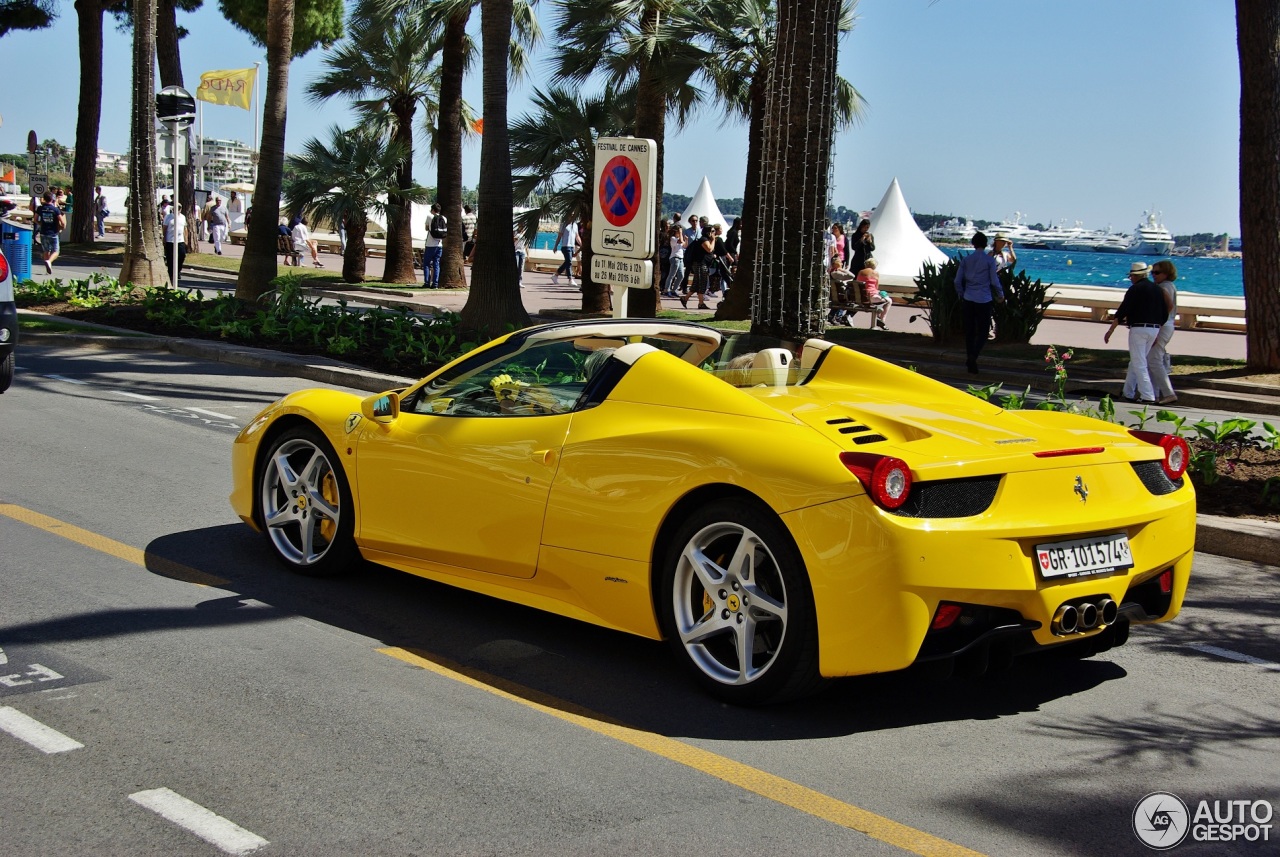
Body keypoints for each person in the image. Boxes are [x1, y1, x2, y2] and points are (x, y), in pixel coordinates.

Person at [1104, 262, 1169, 404]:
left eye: (1131, 276)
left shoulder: (1134, 290)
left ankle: (1148, 395)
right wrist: (1157, 330)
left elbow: (1122, 311)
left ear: (1136, 275)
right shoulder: (1157, 290)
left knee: (1139, 362)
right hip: (1154, 328)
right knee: (1136, 361)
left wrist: (1111, 330)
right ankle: (1128, 392)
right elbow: (1164, 313)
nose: (1131, 278)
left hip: (1139, 328)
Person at [953, 231, 1005, 374]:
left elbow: (957, 280)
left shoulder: (966, 260)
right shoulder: (989, 261)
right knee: (983, 332)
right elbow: (994, 281)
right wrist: (1000, 294)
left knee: (970, 331)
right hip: (984, 298)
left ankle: (970, 357)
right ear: (986, 244)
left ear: (973, 244)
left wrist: (961, 293)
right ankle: (973, 356)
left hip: (968, 298)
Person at [1148, 260, 1179, 404]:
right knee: (1153, 359)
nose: (1154, 275)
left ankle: (1168, 393)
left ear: (1166, 273)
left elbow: (1168, 307)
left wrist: (1157, 329)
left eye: (1157, 272)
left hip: (1163, 325)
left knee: (1154, 360)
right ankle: (1155, 393)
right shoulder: (1166, 286)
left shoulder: (1164, 288)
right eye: (1152, 272)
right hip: (1166, 325)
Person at [680, 226, 716, 309]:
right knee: (701, 283)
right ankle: (700, 303)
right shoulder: (703, 240)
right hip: (700, 264)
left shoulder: (705, 240)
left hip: (702, 264)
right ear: (708, 232)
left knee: (696, 284)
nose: (714, 233)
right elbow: (709, 249)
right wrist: (713, 239)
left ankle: (685, 298)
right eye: (713, 231)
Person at [34, 191, 65, 275]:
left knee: (46, 250)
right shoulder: (55, 209)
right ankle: (49, 261)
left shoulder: (40, 208)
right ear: (52, 199)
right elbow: (62, 222)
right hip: (53, 232)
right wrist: (62, 227)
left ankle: (47, 267)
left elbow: (35, 219)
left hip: (43, 232)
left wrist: (41, 224)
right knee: (56, 251)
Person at [857, 259, 892, 330]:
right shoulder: (875, 273)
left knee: (881, 300)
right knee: (889, 301)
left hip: (861, 296)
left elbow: (858, 282)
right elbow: (876, 287)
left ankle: (879, 319)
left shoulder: (861, 272)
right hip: (871, 297)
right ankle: (882, 320)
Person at [162, 202, 188, 278]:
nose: (177, 210)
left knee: (182, 256)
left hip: (180, 240)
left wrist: (186, 239)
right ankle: (171, 273)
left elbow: (185, 229)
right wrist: (163, 239)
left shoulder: (183, 217)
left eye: (179, 208)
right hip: (170, 240)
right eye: (175, 208)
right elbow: (164, 228)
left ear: (181, 209)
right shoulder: (168, 217)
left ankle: (178, 271)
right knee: (170, 258)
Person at [423, 203, 446, 287]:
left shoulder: (429, 217)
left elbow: (426, 228)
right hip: (439, 245)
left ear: (433, 210)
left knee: (426, 264)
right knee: (436, 264)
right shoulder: (444, 218)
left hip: (430, 244)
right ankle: (435, 283)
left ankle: (427, 282)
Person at [552, 217, 579, 286]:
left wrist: (582, 245)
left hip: (572, 246)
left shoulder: (575, 225)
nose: (572, 216)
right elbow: (559, 236)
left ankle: (556, 275)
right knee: (569, 262)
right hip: (565, 246)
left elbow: (577, 236)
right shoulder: (564, 225)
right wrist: (555, 246)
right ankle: (570, 279)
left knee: (567, 262)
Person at [664, 221, 688, 297]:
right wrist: (680, 233)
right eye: (679, 231)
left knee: (681, 275)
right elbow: (680, 241)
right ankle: (666, 289)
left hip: (681, 257)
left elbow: (684, 246)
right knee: (672, 275)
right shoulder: (673, 238)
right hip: (675, 257)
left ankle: (674, 289)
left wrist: (686, 240)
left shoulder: (678, 238)